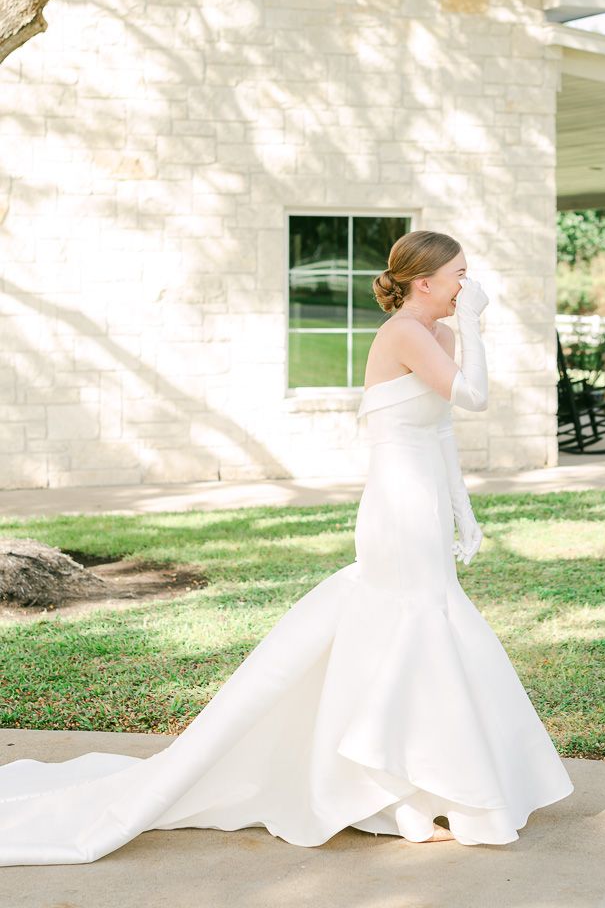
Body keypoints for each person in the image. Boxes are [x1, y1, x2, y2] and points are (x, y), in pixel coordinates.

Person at [0, 229, 573, 866]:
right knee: (413, 632)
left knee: (420, 634)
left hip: (428, 504)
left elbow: (442, 431)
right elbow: (474, 396)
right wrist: (475, 325)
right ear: (424, 281)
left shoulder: (437, 334)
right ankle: (397, 799)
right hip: (398, 507)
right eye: (459, 274)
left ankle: (416, 792)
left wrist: (462, 509)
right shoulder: (406, 333)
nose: (468, 283)